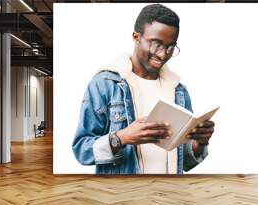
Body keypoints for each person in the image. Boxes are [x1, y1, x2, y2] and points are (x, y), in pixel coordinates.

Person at [72, 4, 215, 174]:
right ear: (136, 37)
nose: (163, 54)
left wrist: (200, 143)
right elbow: (81, 150)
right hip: (124, 196)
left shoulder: (179, 91)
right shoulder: (105, 84)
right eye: (156, 44)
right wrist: (122, 138)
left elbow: (184, 162)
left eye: (170, 47)